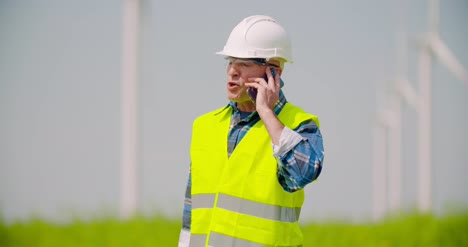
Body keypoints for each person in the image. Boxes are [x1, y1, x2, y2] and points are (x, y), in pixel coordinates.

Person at [178, 15, 325, 247]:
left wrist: (266, 112)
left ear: (274, 72)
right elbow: (190, 218)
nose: (232, 71)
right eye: (230, 61)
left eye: (244, 63)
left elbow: (302, 174)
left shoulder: (298, 124)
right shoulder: (205, 126)